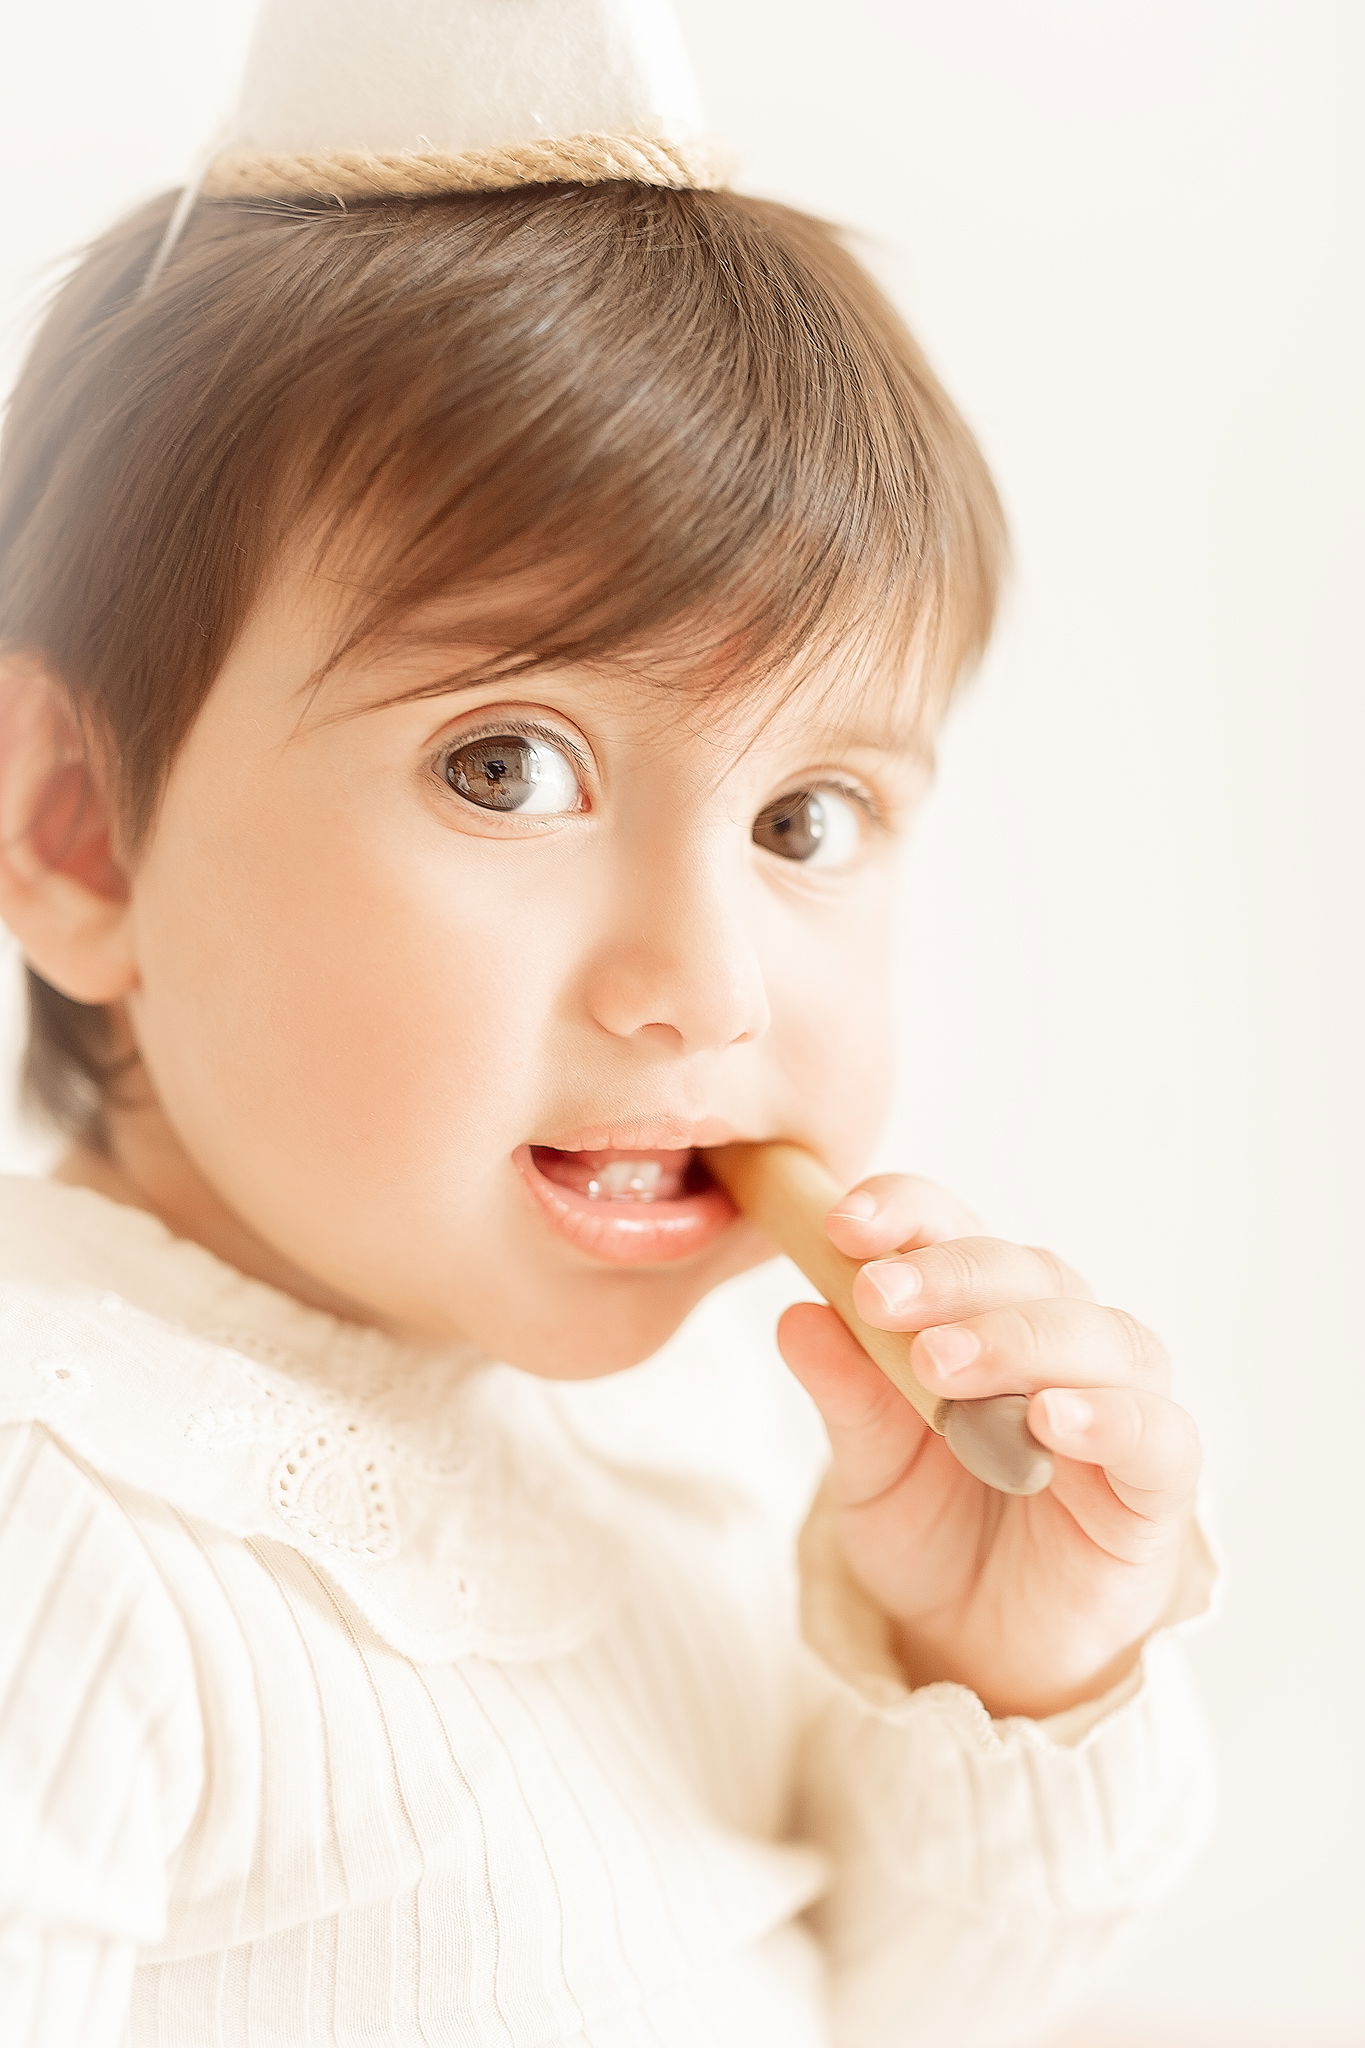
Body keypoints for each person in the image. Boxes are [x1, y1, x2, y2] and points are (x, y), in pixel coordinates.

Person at [0, 6, 1222, 2043]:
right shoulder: (59, 1526)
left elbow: (896, 2003)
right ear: (84, 833)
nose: (709, 982)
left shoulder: (668, 1446)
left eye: (802, 819)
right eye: (506, 766)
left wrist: (993, 1661)